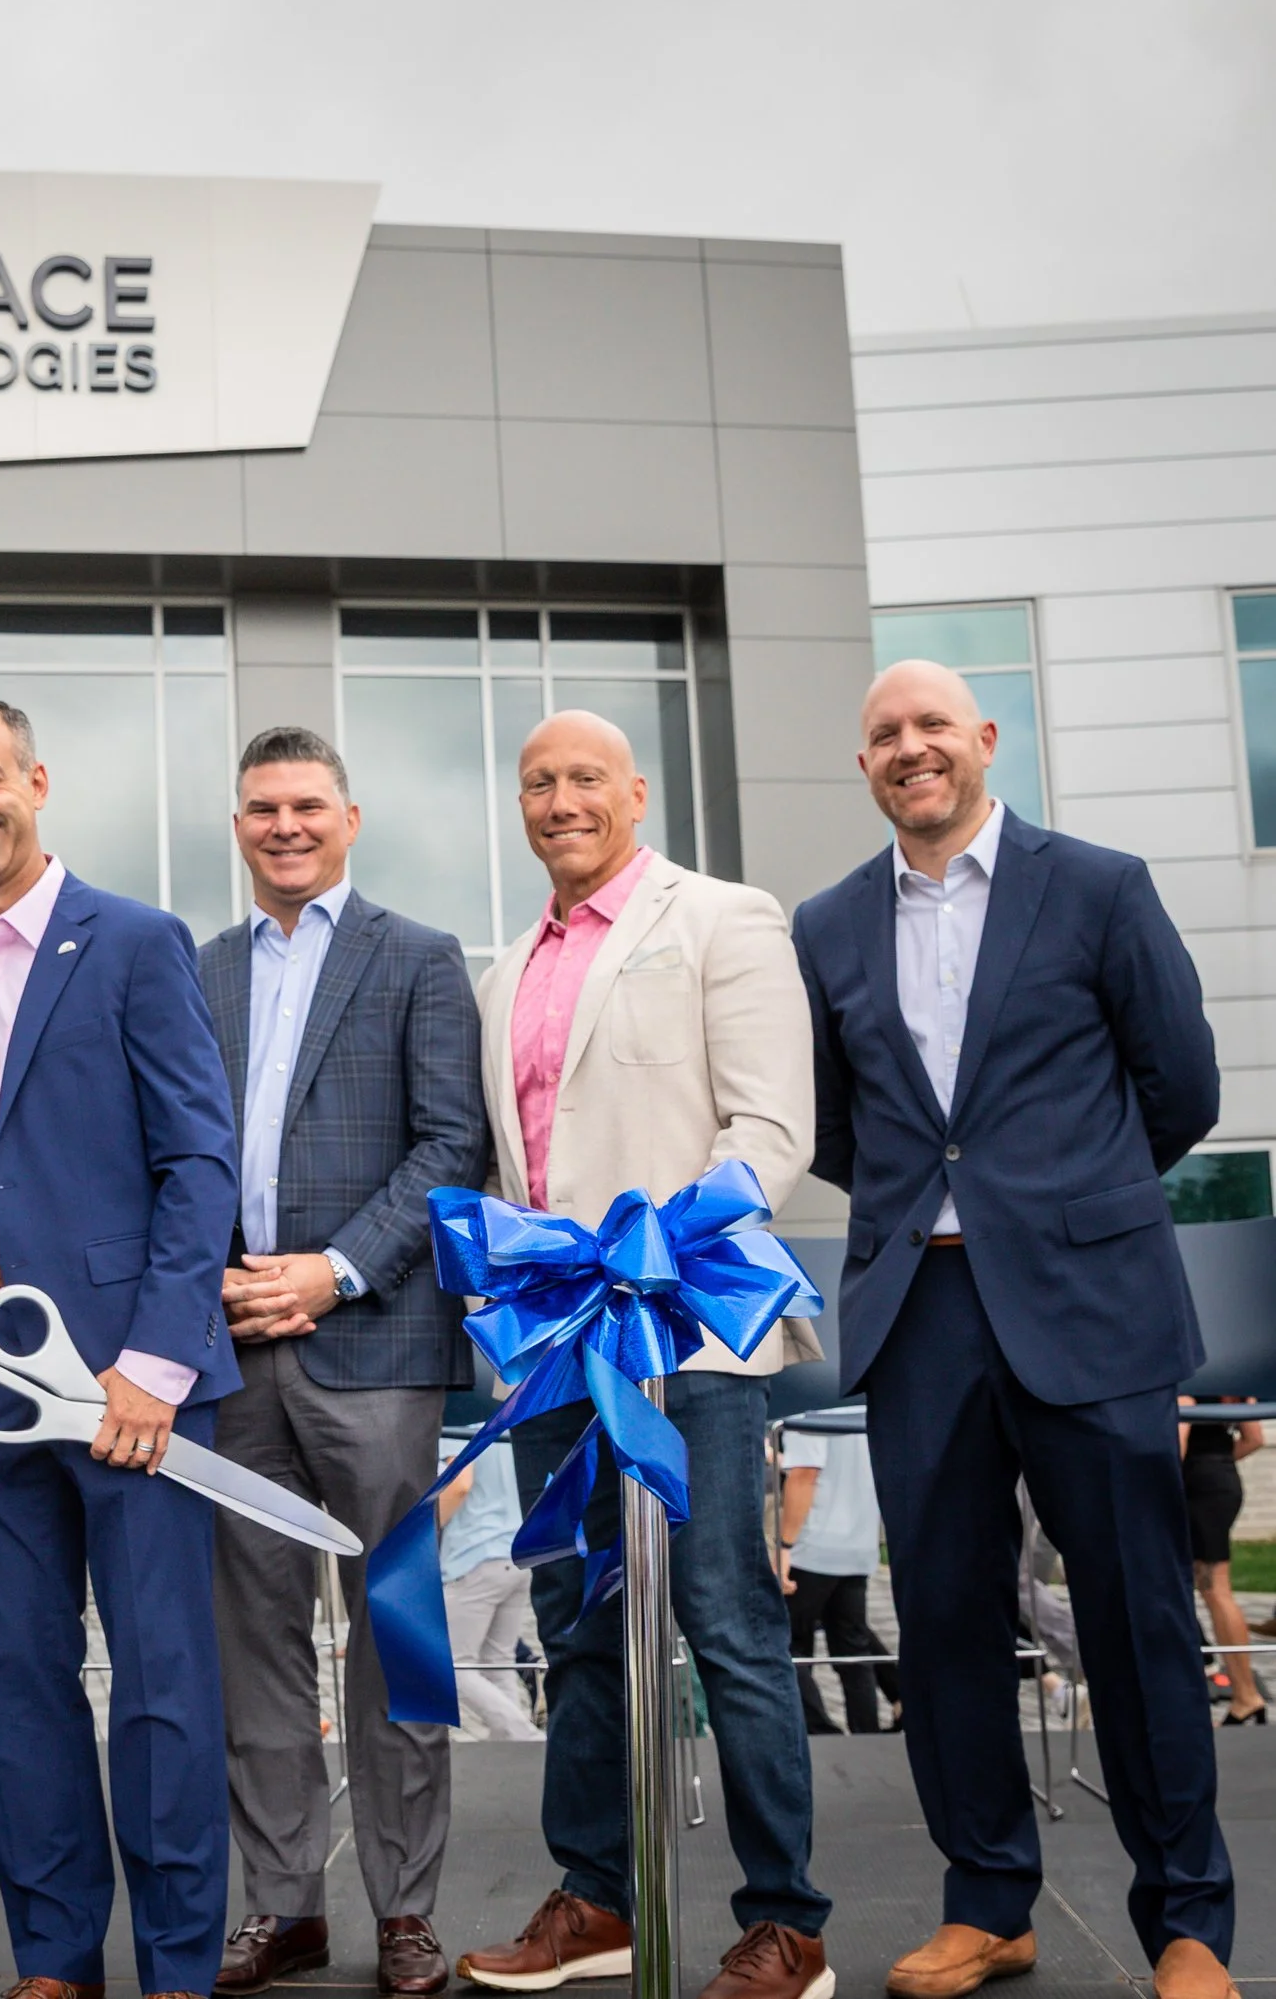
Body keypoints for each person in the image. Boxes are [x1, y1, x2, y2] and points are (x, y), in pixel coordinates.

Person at [795, 658, 1234, 1999]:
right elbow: (832, 1125)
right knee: (943, 1618)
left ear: (984, 739)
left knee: (1135, 1614)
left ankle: (1188, 1923)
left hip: (1088, 1303)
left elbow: (1182, 1086)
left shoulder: (1099, 886)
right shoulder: (826, 924)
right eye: (885, 734)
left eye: (933, 724)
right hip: (919, 1311)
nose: (911, 748)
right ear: (863, 766)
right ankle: (989, 1903)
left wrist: (1056, 1204)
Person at [456, 711, 831, 1999]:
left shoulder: (724, 919)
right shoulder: (504, 972)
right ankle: (596, 1899)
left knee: (724, 1618)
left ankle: (785, 1924)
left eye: (582, 778)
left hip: (688, 1334)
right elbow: (509, 1167)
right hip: (557, 1343)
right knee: (573, 1626)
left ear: (635, 792)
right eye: (536, 783)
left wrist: (647, 1255)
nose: (559, 800)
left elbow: (770, 1133)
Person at [0, 696, 241, 1999]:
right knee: (11, 1676)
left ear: (36, 783)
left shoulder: (137, 941)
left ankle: (176, 1970)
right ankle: (55, 1959)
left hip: (120, 1372)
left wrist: (154, 1364)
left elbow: (199, 1161)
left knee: (160, 1681)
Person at [195, 726, 486, 1999]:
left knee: (395, 1633)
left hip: (372, 1342)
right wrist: (206, 1276)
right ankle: (283, 1906)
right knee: (250, 1640)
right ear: (239, 827)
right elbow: (178, 1149)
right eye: (262, 808)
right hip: (230, 1350)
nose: (285, 826)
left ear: (348, 819)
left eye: (306, 805)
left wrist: (334, 1269)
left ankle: (405, 1909)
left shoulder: (417, 957)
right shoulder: (198, 969)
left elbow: (450, 1145)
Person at [775, 1431, 900, 1734]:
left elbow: (804, 1474)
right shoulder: (858, 1408)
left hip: (813, 1548)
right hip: (858, 1544)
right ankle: (866, 1735)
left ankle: (819, 1732)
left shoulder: (806, 1415)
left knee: (785, 1641)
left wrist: (784, 1546)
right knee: (853, 1650)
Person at [436, 1444, 543, 1743]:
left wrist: (424, 1530)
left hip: (474, 1555)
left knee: (450, 1666)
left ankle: (527, 1738)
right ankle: (513, 1750)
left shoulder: (457, 1426)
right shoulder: (507, 1423)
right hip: (515, 1551)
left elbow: (460, 1483)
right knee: (497, 1664)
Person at [1181, 1398, 1266, 1723]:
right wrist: (1217, 1463)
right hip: (1222, 1481)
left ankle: (1246, 1696)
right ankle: (1243, 1694)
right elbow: (1254, 1438)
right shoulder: (1233, 1386)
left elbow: (1176, 1447)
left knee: (1215, 1589)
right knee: (1210, 1588)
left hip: (1199, 1488)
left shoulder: (1188, 1386)